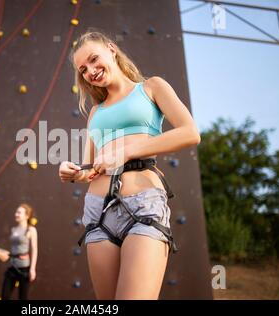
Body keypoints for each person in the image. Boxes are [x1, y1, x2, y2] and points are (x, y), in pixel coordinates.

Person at [58, 30, 201, 300]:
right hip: (98, 213)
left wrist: (126, 151)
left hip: (144, 204)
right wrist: (73, 173)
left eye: (93, 59)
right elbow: (90, 168)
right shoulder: (96, 112)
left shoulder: (151, 87)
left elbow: (190, 132)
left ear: (111, 48)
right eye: (83, 69)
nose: (91, 71)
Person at [1, 203, 38, 300]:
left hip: (24, 268)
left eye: (19, 212)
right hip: (12, 266)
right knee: (5, 296)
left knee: (23, 297)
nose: (16, 214)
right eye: (16, 212)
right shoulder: (14, 229)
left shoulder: (31, 230)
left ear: (27, 216)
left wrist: (32, 269)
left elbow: (34, 249)